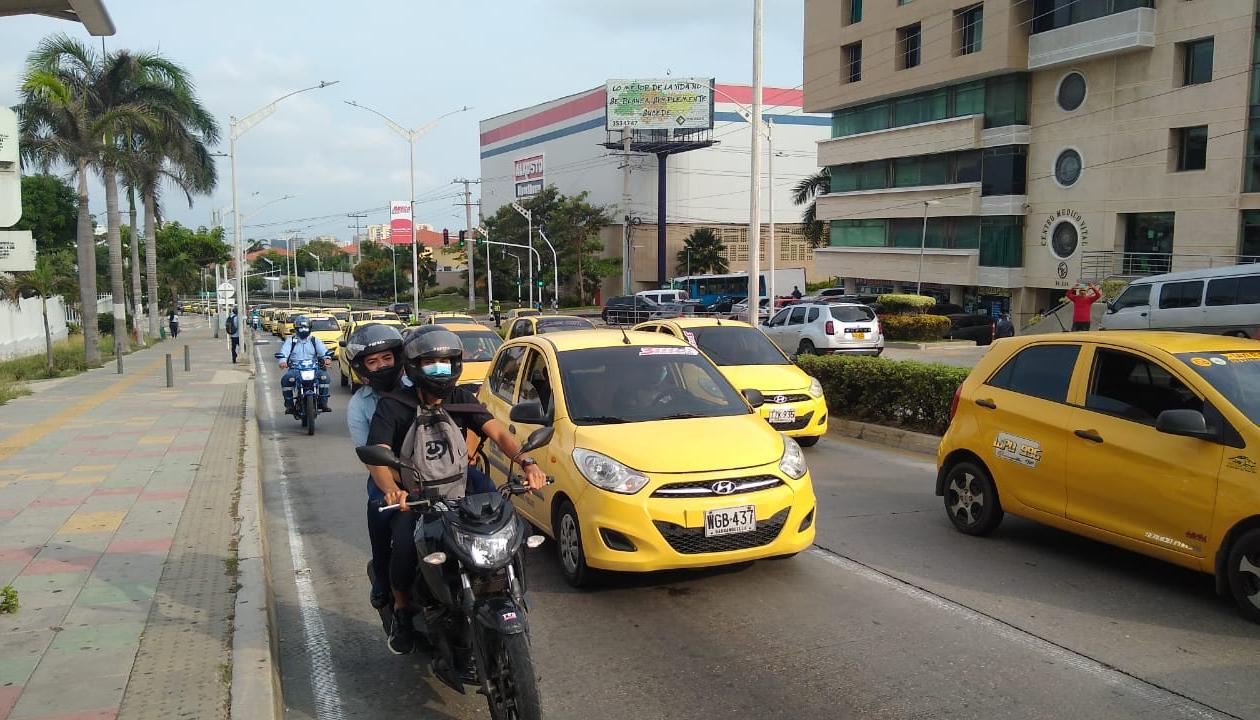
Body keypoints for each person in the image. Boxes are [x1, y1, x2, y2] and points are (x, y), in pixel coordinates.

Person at [365, 326, 546, 655]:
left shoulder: (462, 398)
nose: (441, 370)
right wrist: (393, 490)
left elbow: (499, 434)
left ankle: (512, 591)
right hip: (417, 499)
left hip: (461, 492)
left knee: (510, 530)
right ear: (413, 367)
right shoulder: (392, 406)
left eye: (447, 363)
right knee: (404, 548)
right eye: (431, 363)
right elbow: (377, 455)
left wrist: (527, 462)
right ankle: (403, 613)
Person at [345, 323, 496, 615]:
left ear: (402, 359)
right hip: (392, 477)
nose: (382, 366)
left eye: (387, 358)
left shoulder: (423, 386)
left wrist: (466, 455)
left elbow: (472, 417)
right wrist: (395, 489)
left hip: (442, 471)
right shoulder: (360, 406)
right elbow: (373, 457)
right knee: (384, 523)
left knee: (488, 495)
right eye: (373, 362)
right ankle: (389, 590)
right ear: (361, 368)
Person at [278, 317, 331, 414]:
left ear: (310, 328)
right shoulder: (291, 341)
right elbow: (284, 352)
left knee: (325, 377)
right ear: (296, 328)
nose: (303, 330)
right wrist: (282, 361)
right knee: (286, 379)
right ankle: (289, 405)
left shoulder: (315, 340)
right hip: (295, 369)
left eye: (306, 327)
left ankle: (323, 403)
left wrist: (327, 358)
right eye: (301, 327)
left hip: (314, 368)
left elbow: (324, 351)